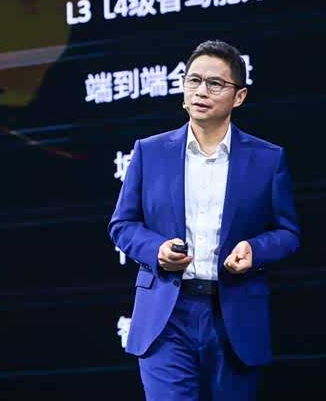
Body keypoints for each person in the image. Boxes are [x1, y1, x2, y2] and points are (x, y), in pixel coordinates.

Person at [108, 40, 301, 400]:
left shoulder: (267, 159)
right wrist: (157, 249)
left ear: (239, 96)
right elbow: (122, 225)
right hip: (166, 314)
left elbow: (288, 232)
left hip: (233, 314)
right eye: (193, 80)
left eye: (215, 84)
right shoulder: (150, 152)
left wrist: (254, 250)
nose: (201, 91)